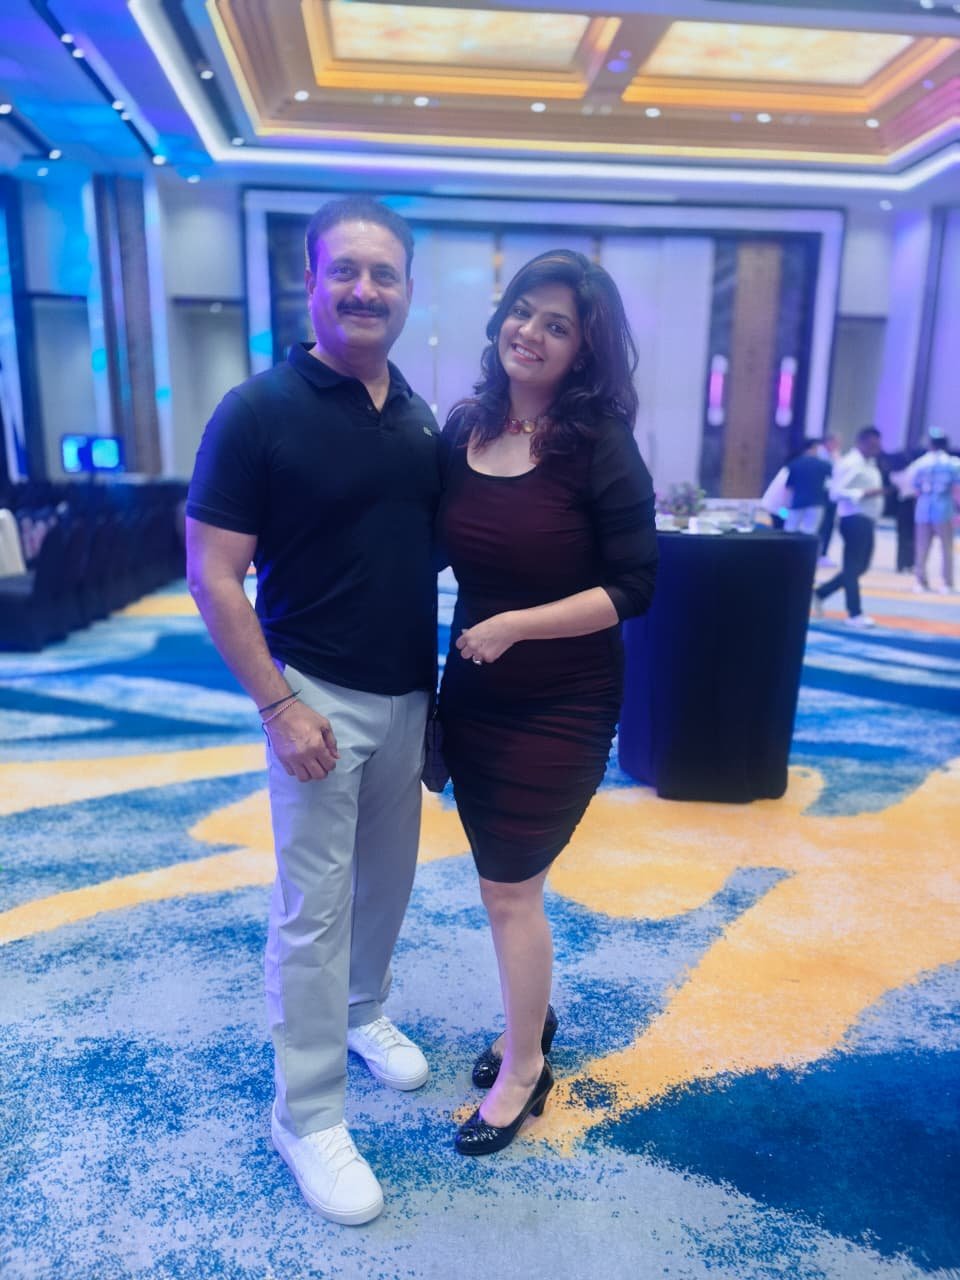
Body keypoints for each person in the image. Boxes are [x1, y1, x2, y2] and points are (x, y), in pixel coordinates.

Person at [185, 197, 442, 1226]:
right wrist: (279, 704)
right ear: (311, 282)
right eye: (346, 271)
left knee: (387, 884)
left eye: (384, 274)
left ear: (408, 290)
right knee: (314, 909)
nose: (365, 290)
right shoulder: (256, 411)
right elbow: (212, 575)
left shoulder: (419, 416)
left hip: (408, 692)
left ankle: (364, 1011)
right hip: (316, 698)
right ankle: (306, 1111)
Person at [437, 250, 658, 1156]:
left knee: (509, 889)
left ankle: (525, 1067)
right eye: (523, 311)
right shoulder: (466, 427)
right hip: (475, 696)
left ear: (583, 351)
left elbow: (635, 586)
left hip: (563, 700)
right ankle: (531, 1019)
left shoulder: (598, 443)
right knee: (505, 884)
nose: (530, 332)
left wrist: (517, 626)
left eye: (557, 325)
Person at [812, 425, 885, 628]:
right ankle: (855, 612)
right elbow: (835, 492)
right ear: (861, 442)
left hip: (867, 519)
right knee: (852, 566)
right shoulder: (850, 463)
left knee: (861, 566)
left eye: (877, 445)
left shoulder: (869, 463)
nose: (876, 449)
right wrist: (862, 494)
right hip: (854, 518)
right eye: (872, 445)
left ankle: (821, 592)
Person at [903, 428, 960, 593]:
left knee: (921, 548)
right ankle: (947, 583)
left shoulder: (920, 463)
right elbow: (957, 489)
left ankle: (920, 581)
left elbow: (913, 488)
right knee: (946, 548)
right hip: (944, 508)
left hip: (923, 507)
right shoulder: (953, 463)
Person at [783, 437, 833, 534]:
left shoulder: (795, 464)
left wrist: (786, 504)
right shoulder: (825, 465)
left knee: (790, 530)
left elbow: (789, 487)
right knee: (810, 532)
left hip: (797, 502)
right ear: (815, 448)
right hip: (817, 503)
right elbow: (830, 485)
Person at [817, 433, 842, 565]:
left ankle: (823, 554)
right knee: (820, 524)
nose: (837, 446)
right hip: (820, 494)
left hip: (832, 495)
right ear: (828, 442)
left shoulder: (835, 456)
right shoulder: (819, 455)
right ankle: (817, 553)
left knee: (829, 524)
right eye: (835, 443)